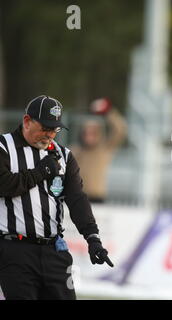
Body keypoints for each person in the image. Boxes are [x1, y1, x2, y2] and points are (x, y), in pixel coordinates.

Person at [0, 95, 113, 300]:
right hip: (14, 251)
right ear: (27, 121)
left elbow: (77, 199)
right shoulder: (4, 147)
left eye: (55, 129)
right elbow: (4, 185)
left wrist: (92, 237)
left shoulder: (64, 155)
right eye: (45, 127)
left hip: (54, 251)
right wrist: (40, 171)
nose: (50, 134)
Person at [70, 98, 127, 203]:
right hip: (77, 196)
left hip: (97, 197)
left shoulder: (105, 148)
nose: (89, 136)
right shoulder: (76, 151)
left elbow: (120, 130)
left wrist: (109, 111)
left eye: (93, 133)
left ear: (98, 134)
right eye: (86, 133)